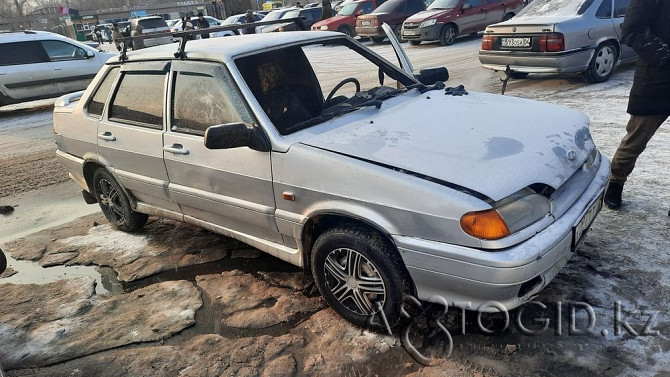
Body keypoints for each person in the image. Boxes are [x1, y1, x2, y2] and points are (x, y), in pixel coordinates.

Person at [604, 0, 670, 209]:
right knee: (635, 140)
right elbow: (632, 31)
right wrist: (667, 56)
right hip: (655, 80)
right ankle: (615, 182)